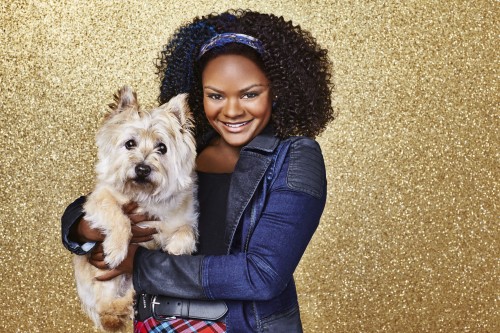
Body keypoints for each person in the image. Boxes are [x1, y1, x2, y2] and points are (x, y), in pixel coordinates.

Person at [61, 9, 334, 333]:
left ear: (277, 91)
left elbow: (262, 275)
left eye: (250, 93)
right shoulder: (182, 151)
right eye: (215, 95)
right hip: (151, 322)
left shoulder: (295, 157)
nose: (232, 110)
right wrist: (84, 230)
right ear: (199, 94)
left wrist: (141, 265)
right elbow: (106, 193)